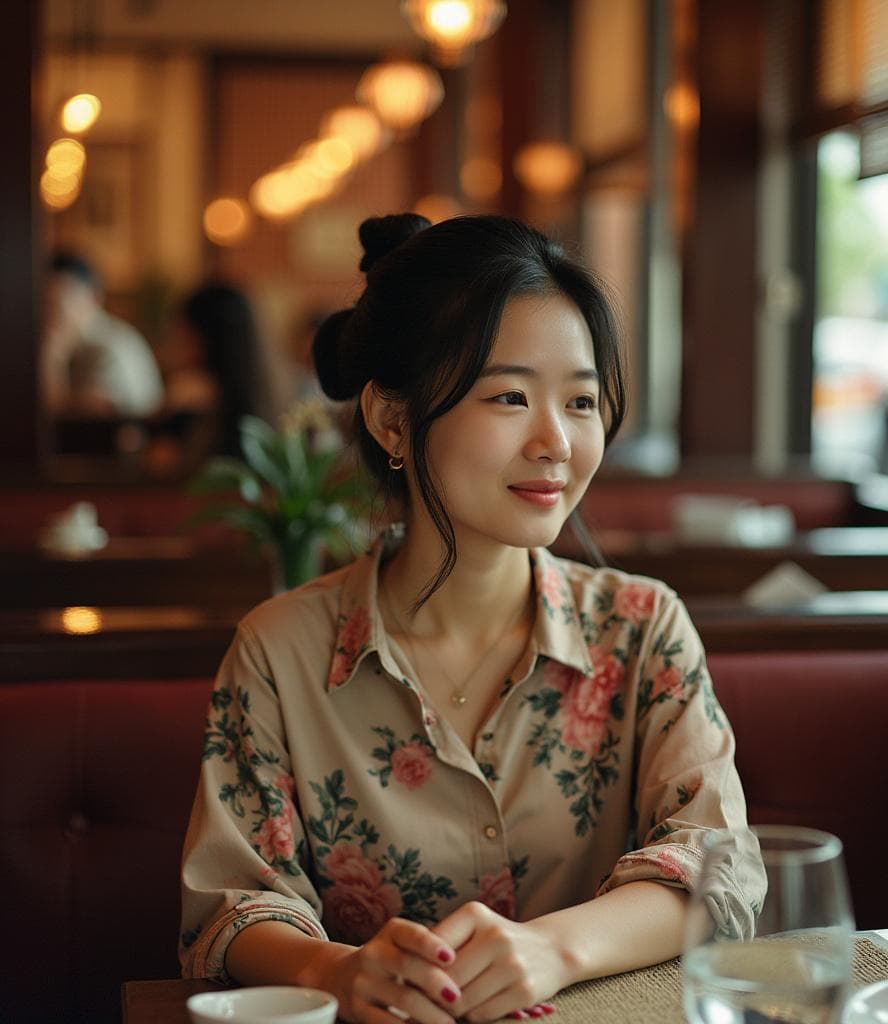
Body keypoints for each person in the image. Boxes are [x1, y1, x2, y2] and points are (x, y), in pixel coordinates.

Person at [179, 214, 765, 1024]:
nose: (557, 441)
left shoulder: (640, 627)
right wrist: (341, 972)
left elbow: (718, 864)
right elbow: (235, 903)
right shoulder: (281, 650)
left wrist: (554, 950)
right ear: (392, 420)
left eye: (583, 400)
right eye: (511, 396)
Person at [40, 251, 164, 417]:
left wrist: (53, 355)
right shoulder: (80, 343)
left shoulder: (107, 346)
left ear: (93, 298)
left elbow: (82, 418)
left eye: (56, 303)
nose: (49, 315)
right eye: (44, 304)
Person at [160, 282, 273, 459]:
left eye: (182, 335)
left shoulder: (196, 401)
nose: (173, 346)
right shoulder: (273, 390)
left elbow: (165, 462)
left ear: (204, 339)